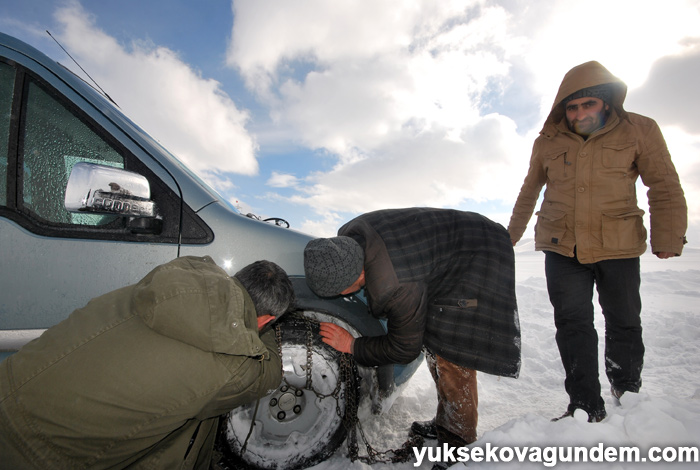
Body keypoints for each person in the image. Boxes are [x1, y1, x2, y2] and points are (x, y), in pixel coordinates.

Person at [508, 61, 687, 422]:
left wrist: (667, 236)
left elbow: (663, 184)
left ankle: (628, 394)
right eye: (572, 108)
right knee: (572, 324)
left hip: (617, 244)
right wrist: (506, 239)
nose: (579, 114)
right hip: (563, 247)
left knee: (623, 321)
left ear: (605, 102)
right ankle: (585, 405)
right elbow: (529, 192)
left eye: (587, 104)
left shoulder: (640, 130)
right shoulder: (548, 141)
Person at [0, 255, 294, 470]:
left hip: (11, 388)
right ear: (266, 319)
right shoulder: (234, 366)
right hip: (38, 454)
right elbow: (270, 373)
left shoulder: (171, 283)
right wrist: (265, 333)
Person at [303, 208, 521, 467]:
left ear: (358, 276)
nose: (341, 295)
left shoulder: (396, 282)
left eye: (341, 291)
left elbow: (404, 348)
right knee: (433, 342)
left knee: (451, 353)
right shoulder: (349, 239)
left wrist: (352, 345)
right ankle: (445, 423)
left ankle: (458, 446)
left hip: (480, 255)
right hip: (448, 251)